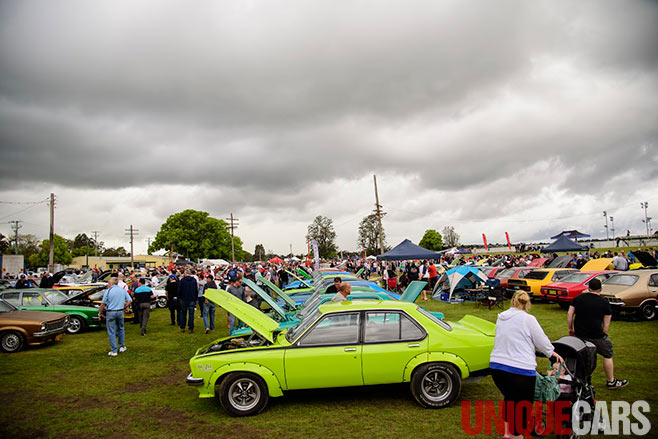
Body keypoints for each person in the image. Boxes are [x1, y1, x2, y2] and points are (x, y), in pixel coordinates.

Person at [490, 291, 564, 439]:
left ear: (512, 301)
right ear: (527, 303)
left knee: (510, 399)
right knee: (523, 404)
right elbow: (541, 340)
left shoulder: (501, 317)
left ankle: (507, 433)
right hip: (520, 368)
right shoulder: (528, 319)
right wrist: (552, 354)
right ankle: (517, 435)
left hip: (497, 366)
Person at [568, 278, 627, 389]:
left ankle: (576, 379)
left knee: (578, 355)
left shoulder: (578, 299)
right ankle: (611, 381)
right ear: (600, 289)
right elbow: (606, 324)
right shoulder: (604, 302)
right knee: (608, 354)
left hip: (580, 334)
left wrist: (570, 329)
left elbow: (570, 314)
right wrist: (603, 333)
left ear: (588, 288)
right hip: (596, 335)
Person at [98, 278, 132, 356]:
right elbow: (130, 300)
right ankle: (122, 346)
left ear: (112, 283)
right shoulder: (122, 290)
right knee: (121, 328)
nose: (108, 285)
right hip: (120, 312)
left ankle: (114, 350)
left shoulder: (108, 291)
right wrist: (124, 307)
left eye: (108, 283)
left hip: (111, 312)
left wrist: (100, 312)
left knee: (111, 331)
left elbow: (103, 303)